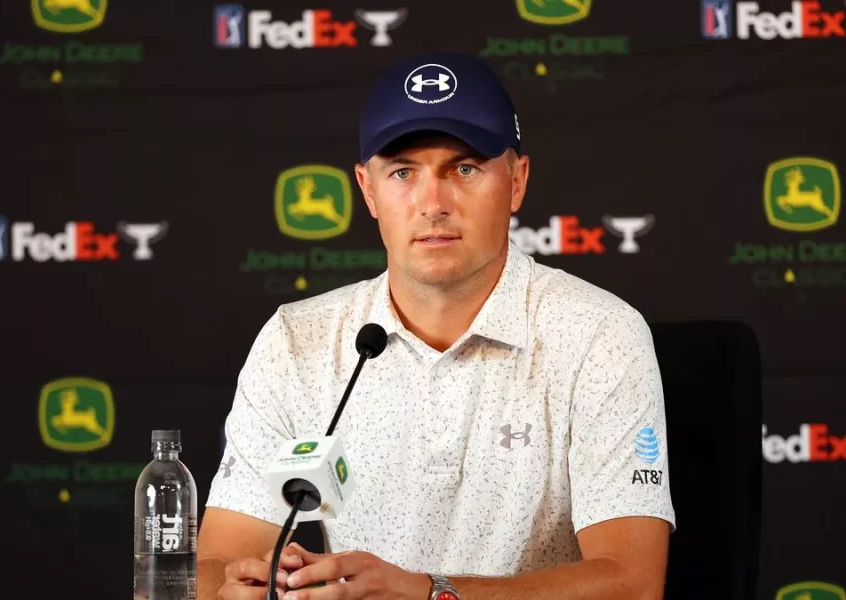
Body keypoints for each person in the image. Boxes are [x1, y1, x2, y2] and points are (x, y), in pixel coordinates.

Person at [198, 51, 676, 600]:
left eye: (464, 169)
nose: (433, 203)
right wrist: (236, 588)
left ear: (517, 181)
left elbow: (632, 583)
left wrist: (429, 594)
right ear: (368, 190)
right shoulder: (296, 340)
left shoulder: (601, 334)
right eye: (403, 172)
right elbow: (212, 563)